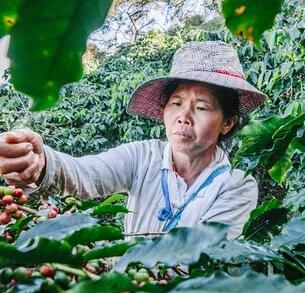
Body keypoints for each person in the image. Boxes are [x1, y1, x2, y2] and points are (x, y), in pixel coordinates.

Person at [0, 41, 266, 239]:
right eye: (176, 103)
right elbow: (85, 174)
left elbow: (207, 258)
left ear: (228, 123)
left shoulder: (237, 186)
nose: (183, 117)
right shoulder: (143, 156)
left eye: (202, 107)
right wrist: (41, 162)